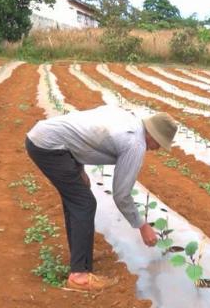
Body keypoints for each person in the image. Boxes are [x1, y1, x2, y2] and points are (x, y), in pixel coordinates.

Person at [25, 105, 178, 291]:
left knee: (76, 200)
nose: (158, 149)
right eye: (159, 144)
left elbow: (82, 131)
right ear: (152, 135)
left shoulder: (127, 117)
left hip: (47, 138)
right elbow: (121, 194)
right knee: (84, 203)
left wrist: (78, 168)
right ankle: (79, 276)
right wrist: (142, 226)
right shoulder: (135, 143)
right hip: (49, 147)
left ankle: (81, 257)